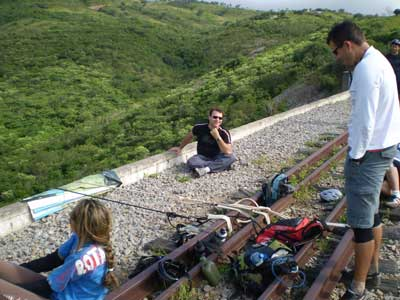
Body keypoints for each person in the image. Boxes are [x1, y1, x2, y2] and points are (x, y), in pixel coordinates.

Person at [327, 21, 400, 300]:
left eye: (336, 52)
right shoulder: (378, 58)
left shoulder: (366, 69)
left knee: (360, 224)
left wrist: (355, 156)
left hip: (368, 154)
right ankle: (372, 271)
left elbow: (364, 121)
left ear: (347, 45)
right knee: (373, 214)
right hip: (384, 147)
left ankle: (358, 287)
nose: (337, 58)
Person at [0, 199, 119, 300]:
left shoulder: (81, 258)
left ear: (77, 224)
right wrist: (20, 269)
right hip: (63, 292)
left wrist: (15, 290)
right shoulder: (81, 239)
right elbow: (53, 260)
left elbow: (47, 287)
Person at [169, 107, 237, 177]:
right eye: (215, 117)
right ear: (209, 117)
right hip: (202, 157)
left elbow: (228, 151)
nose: (217, 120)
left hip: (218, 156)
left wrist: (217, 137)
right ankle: (219, 166)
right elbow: (189, 136)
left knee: (231, 157)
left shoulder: (224, 132)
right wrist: (180, 148)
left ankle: (207, 169)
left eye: (220, 118)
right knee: (191, 162)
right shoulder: (199, 128)